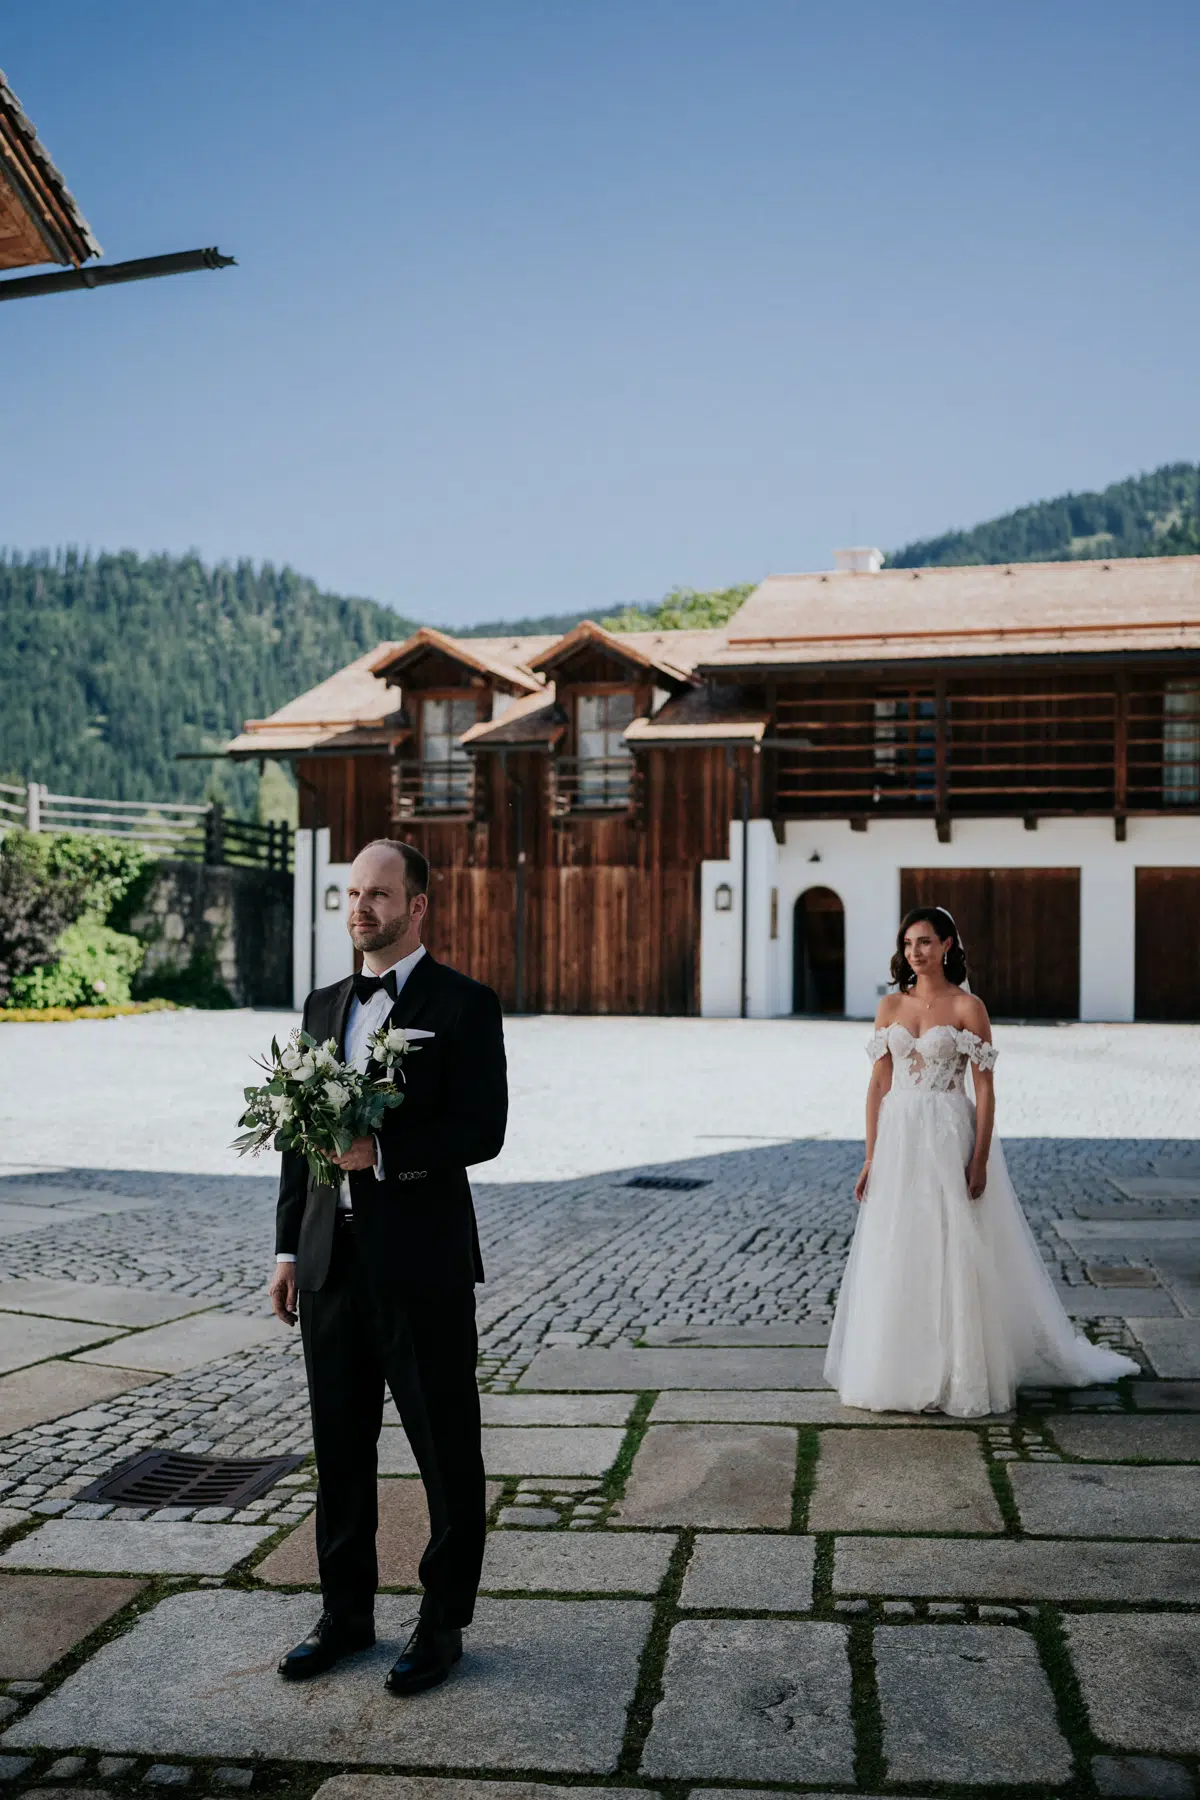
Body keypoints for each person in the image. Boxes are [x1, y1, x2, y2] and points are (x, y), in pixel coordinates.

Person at [268, 838, 507, 1693]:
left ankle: (442, 1625)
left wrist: (388, 1151)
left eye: (378, 894)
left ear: (417, 906)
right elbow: (298, 1138)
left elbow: (484, 1129)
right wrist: (289, 1248)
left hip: (422, 1264)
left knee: (446, 1449)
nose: (361, 908)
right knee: (339, 1449)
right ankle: (345, 1614)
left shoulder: (465, 1004)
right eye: (352, 894)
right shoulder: (321, 1004)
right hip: (331, 1262)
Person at [824, 905, 1137, 1416]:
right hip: (900, 1137)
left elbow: (985, 1090)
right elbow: (878, 1083)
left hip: (949, 1132)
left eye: (925, 942)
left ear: (947, 944)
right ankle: (895, 1370)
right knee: (898, 1243)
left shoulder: (969, 1007)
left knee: (953, 1245)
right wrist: (870, 1156)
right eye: (908, 944)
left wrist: (980, 1159)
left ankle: (957, 1371)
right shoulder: (889, 1006)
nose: (915, 952)